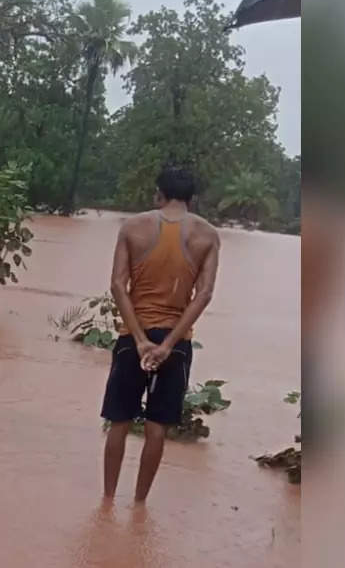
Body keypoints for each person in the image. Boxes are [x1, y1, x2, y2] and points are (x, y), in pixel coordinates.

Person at [101, 167, 221, 503]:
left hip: (132, 339)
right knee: (157, 429)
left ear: (158, 195)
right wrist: (168, 344)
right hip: (177, 343)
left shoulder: (133, 227)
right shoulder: (207, 235)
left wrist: (139, 338)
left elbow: (117, 285)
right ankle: (139, 503)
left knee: (119, 422)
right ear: (191, 199)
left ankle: (108, 500)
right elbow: (204, 294)